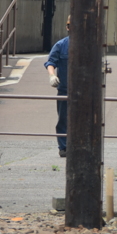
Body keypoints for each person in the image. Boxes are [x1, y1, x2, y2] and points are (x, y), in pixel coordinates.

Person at [44, 15, 70, 157]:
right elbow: (51, 62)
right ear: (67, 27)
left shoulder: (89, 45)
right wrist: (52, 75)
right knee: (63, 119)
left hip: (83, 90)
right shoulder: (61, 45)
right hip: (64, 89)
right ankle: (64, 147)